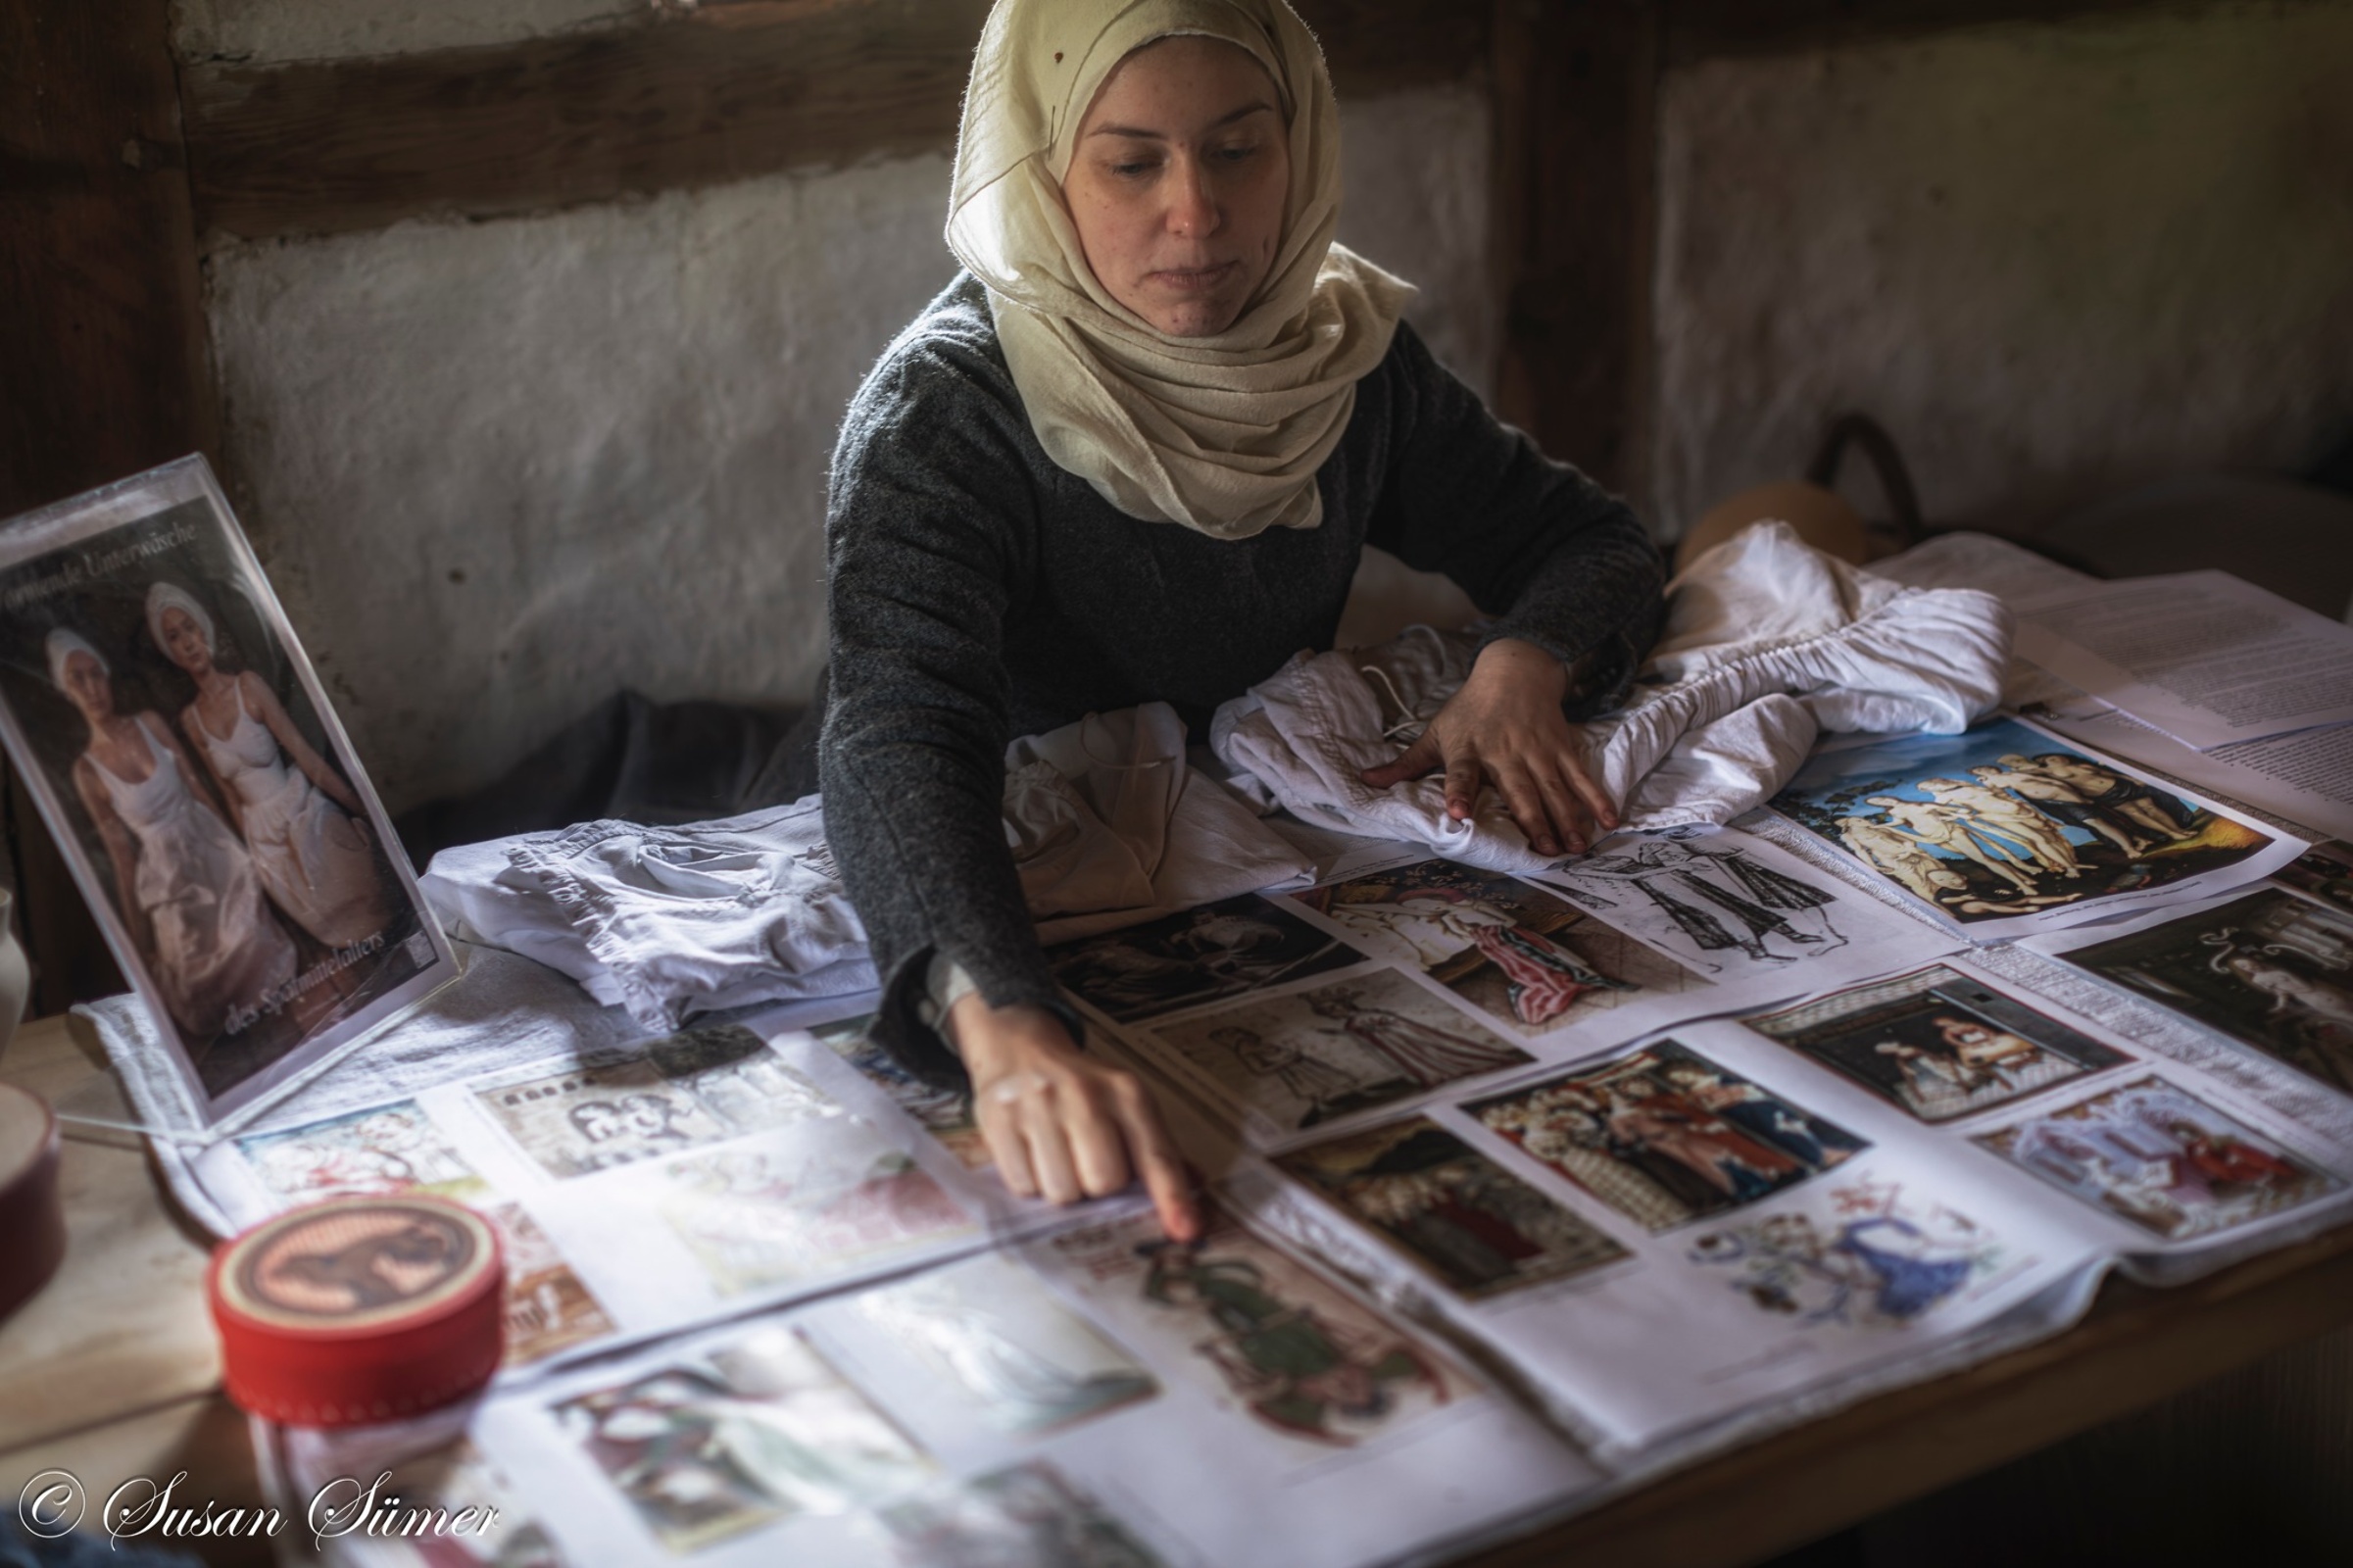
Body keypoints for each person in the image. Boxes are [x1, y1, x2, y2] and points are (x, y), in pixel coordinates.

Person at [820, 0, 1664, 1239]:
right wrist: (1003, 1025)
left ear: (1299, 144)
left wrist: (1522, 663)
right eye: (1130, 163)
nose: (1197, 213)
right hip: (995, 872)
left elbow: (1591, 540)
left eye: (1236, 149)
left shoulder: (1338, 358)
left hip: (1250, 855)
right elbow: (899, 727)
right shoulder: (948, 411)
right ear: (1043, 168)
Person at [50, 627, 298, 1038]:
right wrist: (138, 944)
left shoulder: (148, 723)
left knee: (252, 939)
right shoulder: (87, 771)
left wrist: (242, 849)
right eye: (78, 678)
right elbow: (122, 858)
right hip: (167, 875)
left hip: (210, 844)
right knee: (195, 976)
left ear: (108, 676)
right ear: (66, 689)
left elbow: (199, 789)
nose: (92, 688)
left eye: (96, 674)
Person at [146, 581, 393, 950]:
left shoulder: (248, 686)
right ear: (169, 650)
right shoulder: (191, 720)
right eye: (174, 636)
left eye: (189, 628)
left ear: (203, 629)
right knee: (336, 940)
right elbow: (230, 797)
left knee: (370, 913)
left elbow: (307, 758)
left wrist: (365, 810)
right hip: (263, 840)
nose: (187, 642)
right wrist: (246, 857)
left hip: (303, 814)